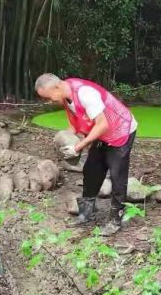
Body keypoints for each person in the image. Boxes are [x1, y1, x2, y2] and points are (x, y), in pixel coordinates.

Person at [35, 73, 137, 235]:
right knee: (91, 170)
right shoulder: (66, 98)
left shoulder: (85, 94)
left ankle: (115, 220)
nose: (49, 101)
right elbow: (75, 126)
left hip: (120, 131)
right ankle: (86, 214)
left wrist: (78, 147)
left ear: (57, 87)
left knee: (118, 175)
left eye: (49, 97)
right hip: (101, 134)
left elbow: (102, 125)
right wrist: (66, 143)